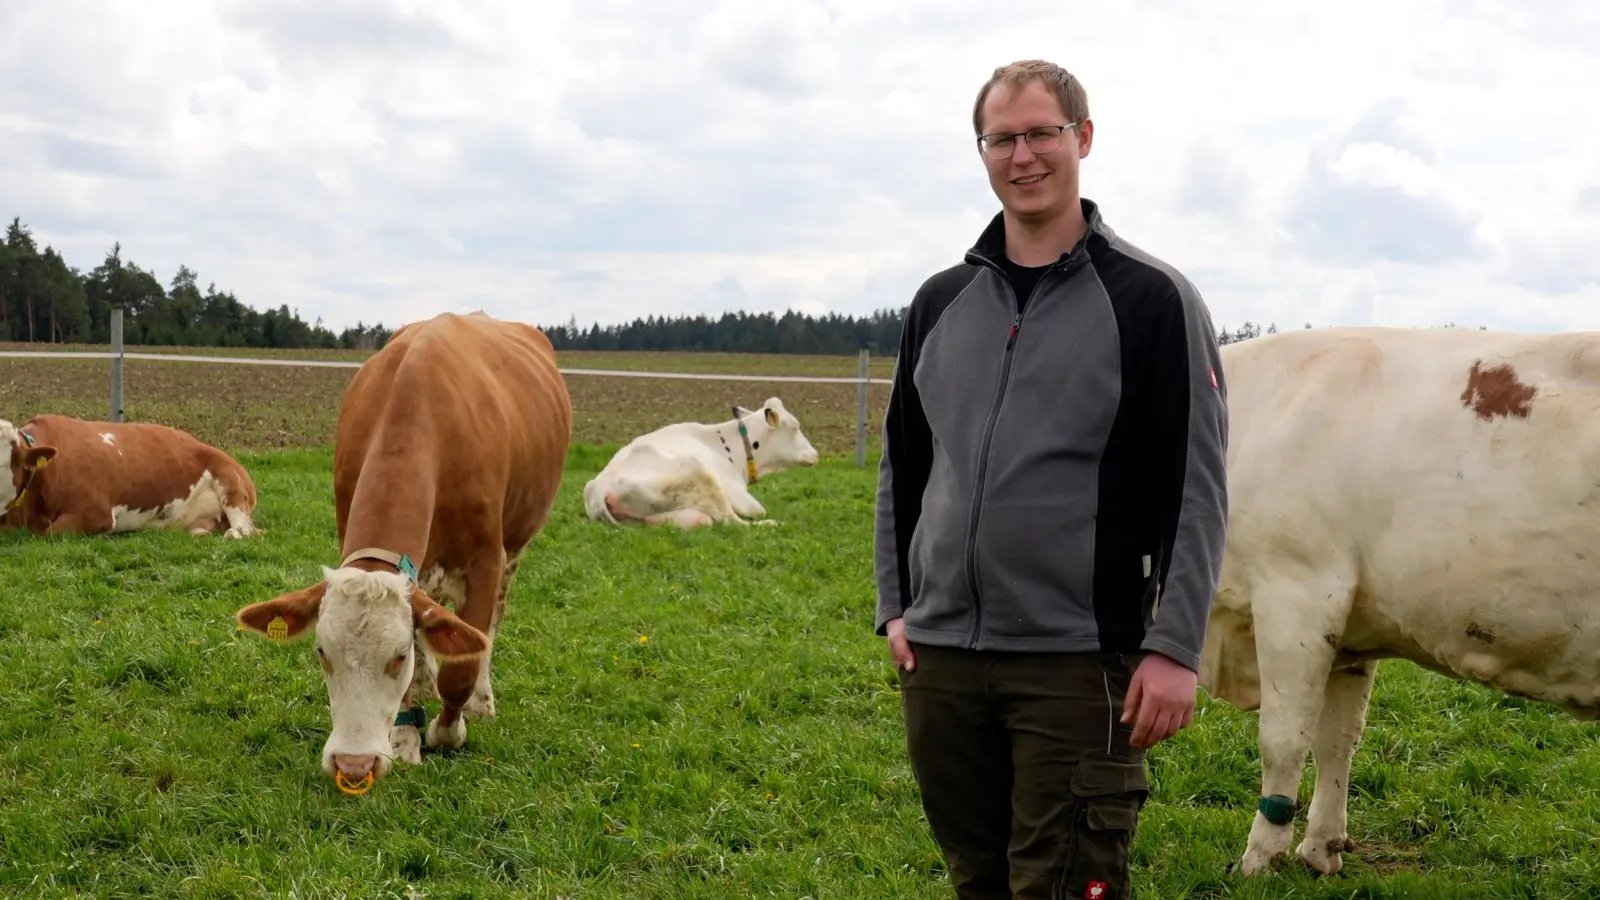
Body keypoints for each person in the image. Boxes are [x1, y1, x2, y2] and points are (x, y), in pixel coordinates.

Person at [873, 59, 1229, 900]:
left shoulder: (1152, 300)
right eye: (1003, 138)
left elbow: (1198, 488)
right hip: (944, 662)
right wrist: (896, 606)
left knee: (1066, 883)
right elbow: (905, 463)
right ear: (983, 151)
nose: (1022, 155)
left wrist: (1175, 647)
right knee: (978, 880)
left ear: (1084, 139)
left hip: (1077, 662)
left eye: (1042, 133)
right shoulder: (941, 301)